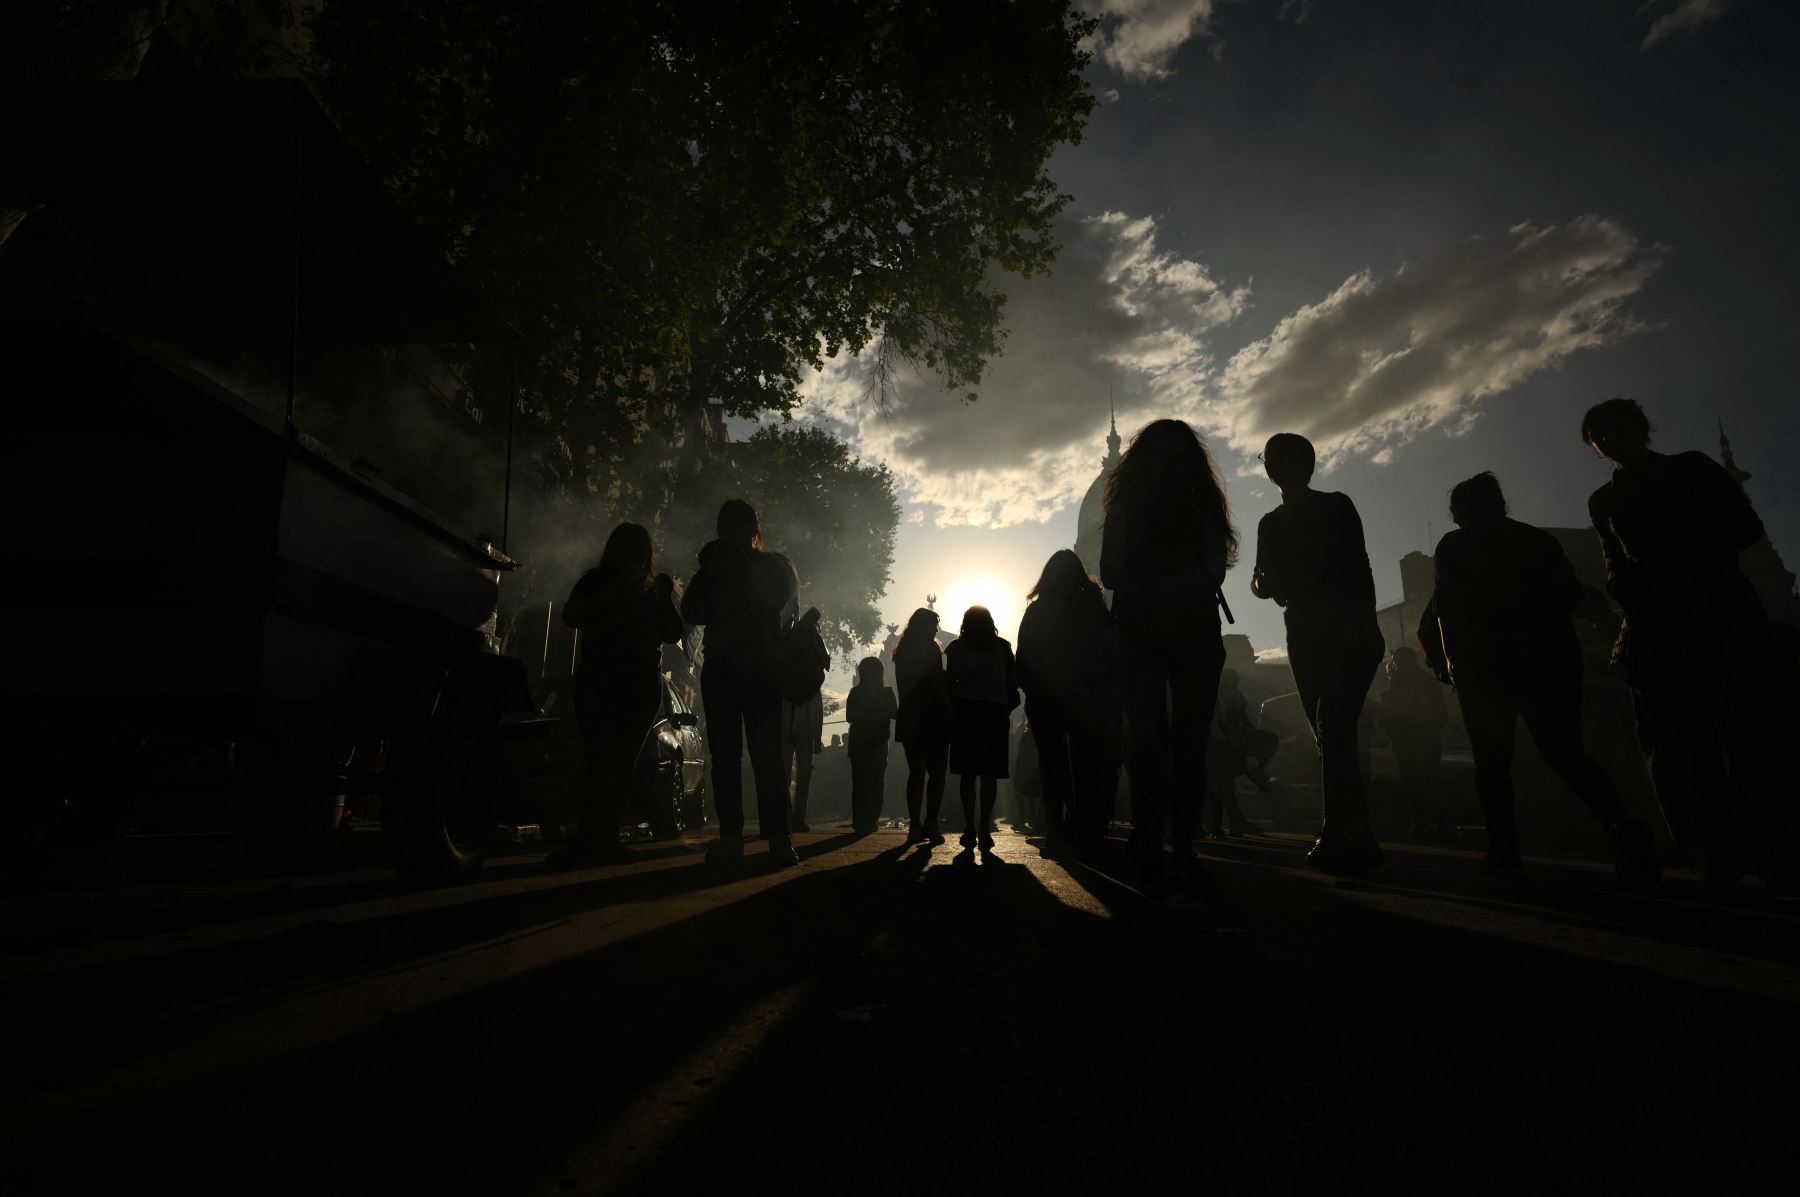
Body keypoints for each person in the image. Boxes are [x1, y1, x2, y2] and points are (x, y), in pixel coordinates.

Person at [1583, 399, 1790, 887]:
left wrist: (1686, 555)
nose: (1609, 440)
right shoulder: (1603, 502)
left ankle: (1769, 842)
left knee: (1747, 729)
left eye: (1615, 429)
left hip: (1719, 610)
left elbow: (1745, 528)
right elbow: (1614, 564)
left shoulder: (1693, 468)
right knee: (1678, 742)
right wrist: (1626, 589)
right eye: (1598, 436)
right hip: (1658, 623)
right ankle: (1716, 846)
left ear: (1640, 428)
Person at [1418, 472, 1659, 890]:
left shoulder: (1455, 546)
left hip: (1487, 668)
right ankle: (1622, 825)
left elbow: (1447, 610)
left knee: (1494, 765)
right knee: (1564, 753)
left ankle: (1504, 852)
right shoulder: (1537, 542)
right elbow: (1568, 595)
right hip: (1547, 663)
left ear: (1461, 514)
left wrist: (1453, 664)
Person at [1101, 419, 1236, 895]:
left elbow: (1111, 571)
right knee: (1173, 740)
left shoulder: (1124, 507)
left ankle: (1163, 838)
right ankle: (1171, 841)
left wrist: (1152, 588)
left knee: (1158, 738)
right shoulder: (1200, 505)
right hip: (1184, 628)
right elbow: (1212, 570)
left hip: (1149, 628)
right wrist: (1180, 585)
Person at [1251, 432, 1384, 875]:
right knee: (1332, 734)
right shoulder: (1272, 523)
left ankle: (1339, 832)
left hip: (1339, 632)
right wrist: (1265, 584)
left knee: (1333, 726)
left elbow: (1355, 569)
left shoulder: (1333, 507)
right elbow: (1259, 579)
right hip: (1309, 635)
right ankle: (1356, 829)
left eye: (1274, 459)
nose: (1271, 466)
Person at [554, 522, 686, 867]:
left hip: (637, 683)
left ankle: (603, 837)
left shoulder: (652, 588)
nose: (638, 557)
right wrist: (616, 595)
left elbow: (673, 633)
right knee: (599, 760)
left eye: (642, 550)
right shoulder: (597, 582)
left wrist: (665, 597)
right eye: (632, 549)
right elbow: (572, 615)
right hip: (602, 679)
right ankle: (591, 837)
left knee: (619, 763)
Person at [680, 500, 800, 867]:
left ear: (753, 532)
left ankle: (773, 836)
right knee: (731, 757)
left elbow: (779, 600)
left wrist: (739, 569)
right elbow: (691, 611)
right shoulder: (714, 567)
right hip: (727, 667)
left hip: (756, 666)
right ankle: (738, 836)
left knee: (762, 755)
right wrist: (713, 572)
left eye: (739, 527)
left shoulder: (772, 564)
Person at [1017, 548, 1122, 859]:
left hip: (1046, 699)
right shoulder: (1092, 608)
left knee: (1052, 766)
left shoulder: (1037, 610)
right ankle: (1088, 831)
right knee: (1087, 766)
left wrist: (1032, 688)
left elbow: (1024, 657)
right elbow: (1108, 652)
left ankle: (1056, 831)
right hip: (1086, 698)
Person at [945, 605, 1019, 852]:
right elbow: (1012, 682)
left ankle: (969, 826)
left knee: (967, 773)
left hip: (966, 712)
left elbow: (949, 681)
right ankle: (984, 826)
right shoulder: (1003, 647)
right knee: (989, 774)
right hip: (994, 714)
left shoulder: (956, 648)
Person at [893, 607, 952, 845]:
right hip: (933, 716)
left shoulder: (902, 652)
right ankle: (931, 821)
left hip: (910, 716)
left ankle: (915, 824)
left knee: (916, 773)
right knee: (937, 773)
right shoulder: (931, 649)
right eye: (934, 624)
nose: (936, 628)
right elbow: (938, 683)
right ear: (925, 626)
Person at [1377, 648, 1449, 842]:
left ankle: (1422, 826)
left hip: (1407, 742)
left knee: (1413, 782)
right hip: (1428, 739)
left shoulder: (1398, 681)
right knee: (1434, 782)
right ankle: (1443, 825)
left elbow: (1392, 715)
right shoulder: (1428, 681)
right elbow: (1442, 715)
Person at [845, 656, 897, 835]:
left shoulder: (886, 692)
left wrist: (877, 704)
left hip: (878, 742)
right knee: (864, 783)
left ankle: (870, 820)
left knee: (873, 783)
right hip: (862, 743)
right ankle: (862, 821)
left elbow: (894, 713)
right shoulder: (857, 693)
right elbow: (850, 715)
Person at [1203, 668, 1257, 839]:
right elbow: (1226, 721)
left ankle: (1222, 823)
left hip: (1222, 742)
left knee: (1220, 785)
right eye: (1234, 678)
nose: (1236, 681)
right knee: (1221, 785)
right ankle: (1225, 823)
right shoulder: (1223, 695)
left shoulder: (1220, 695)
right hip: (1220, 743)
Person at [783, 691, 824, 833]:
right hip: (794, 734)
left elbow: (818, 712)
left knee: (796, 778)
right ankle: (794, 818)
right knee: (799, 778)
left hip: (793, 734)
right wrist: (817, 739)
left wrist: (817, 739)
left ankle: (792, 818)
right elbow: (818, 712)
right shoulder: (812, 680)